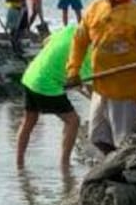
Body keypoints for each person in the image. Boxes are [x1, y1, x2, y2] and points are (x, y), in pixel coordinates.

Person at [68, 0, 136, 154]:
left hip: (126, 88)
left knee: (123, 140)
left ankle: (121, 176)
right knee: (96, 135)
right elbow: (80, 41)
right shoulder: (95, 9)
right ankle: (110, 165)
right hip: (100, 85)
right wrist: (73, 70)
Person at [16, 24, 88, 169]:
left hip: (31, 75)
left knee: (29, 120)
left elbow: (46, 42)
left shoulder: (70, 29)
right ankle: (65, 164)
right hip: (46, 83)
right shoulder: (87, 50)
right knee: (73, 121)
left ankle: (19, 163)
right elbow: (90, 87)